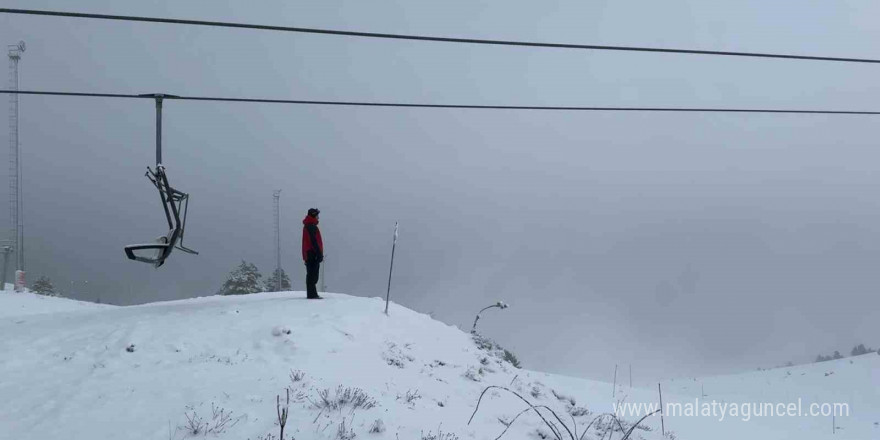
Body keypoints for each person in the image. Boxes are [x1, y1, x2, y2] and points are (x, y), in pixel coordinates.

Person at [302, 208, 324, 299]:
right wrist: (319, 254)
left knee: (312, 274)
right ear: (314, 215)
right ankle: (312, 295)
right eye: (317, 215)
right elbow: (314, 241)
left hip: (309, 253)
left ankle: (312, 294)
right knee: (312, 275)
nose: (318, 218)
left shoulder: (309, 225)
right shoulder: (311, 226)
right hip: (312, 253)